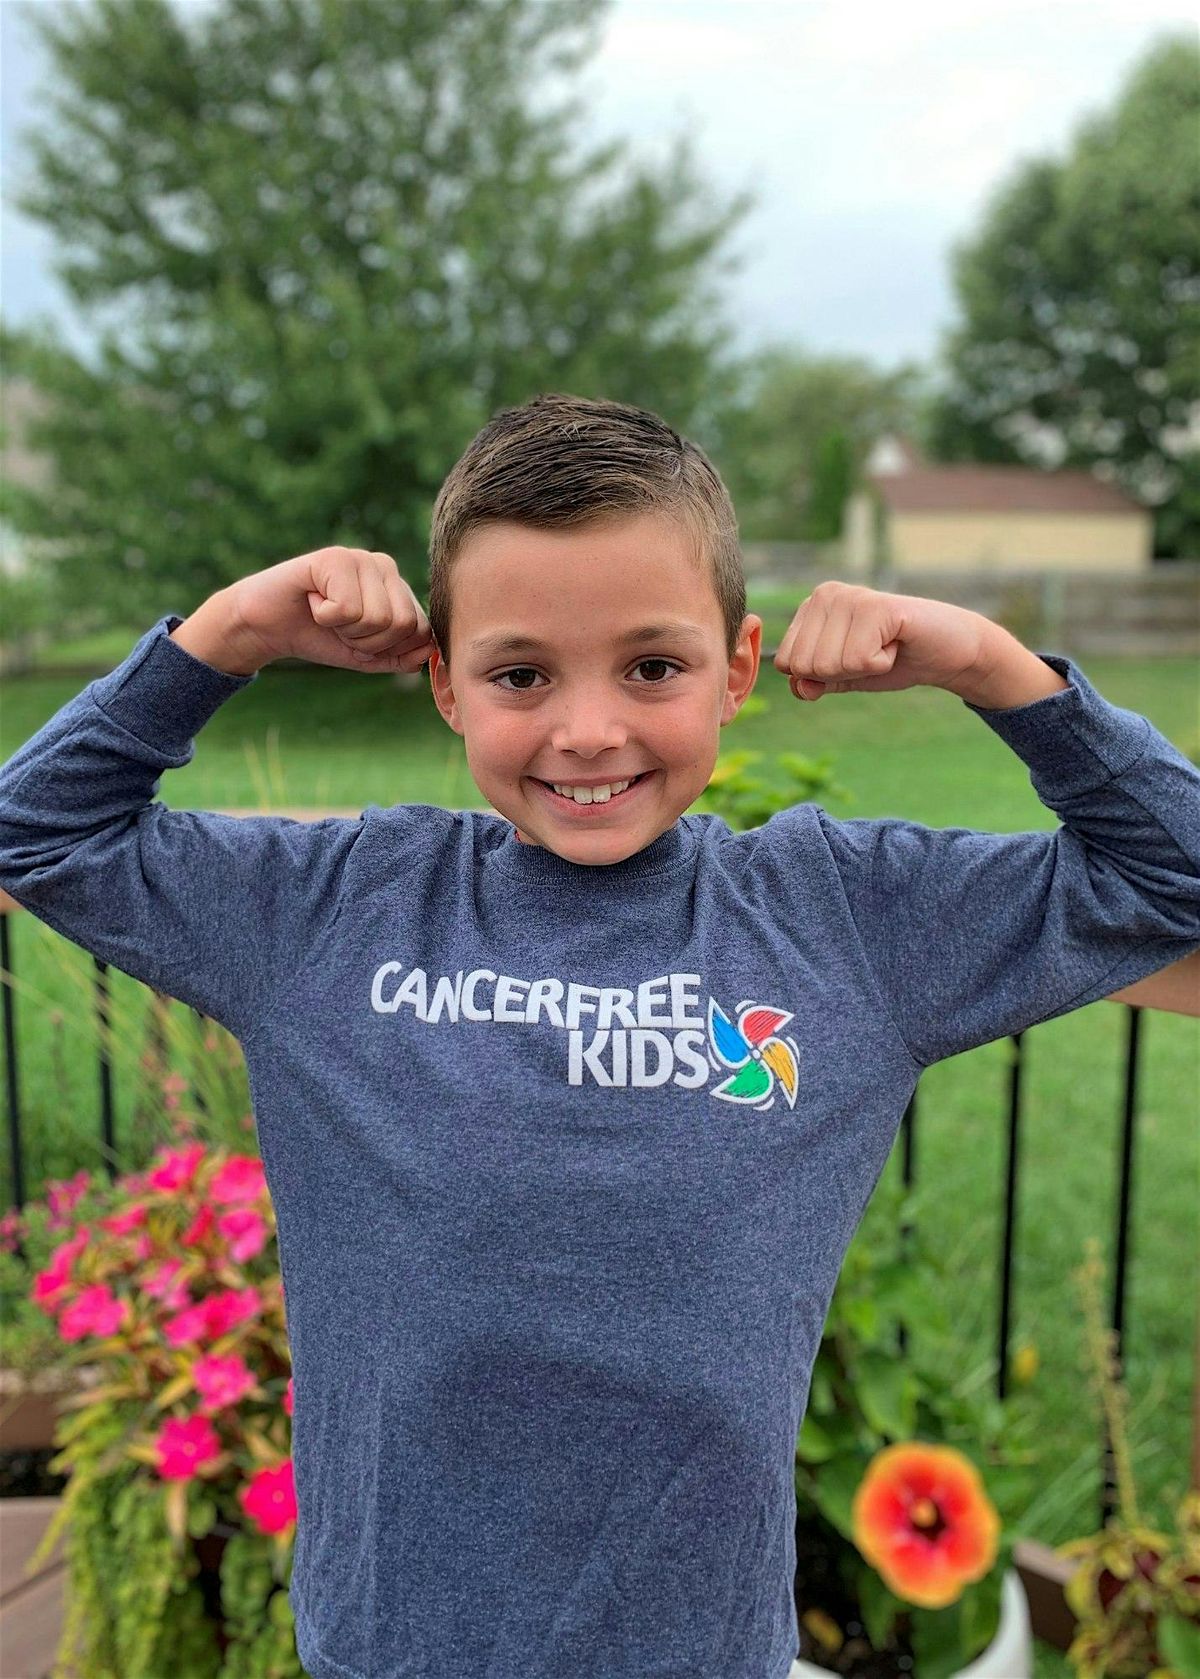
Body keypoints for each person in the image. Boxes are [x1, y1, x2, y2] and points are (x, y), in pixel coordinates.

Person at [1, 391, 1197, 1679]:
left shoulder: (845, 921)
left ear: (737, 669)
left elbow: (1170, 876)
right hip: (393, 1648)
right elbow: (37, 833)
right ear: (444, 685)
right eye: (520, 674)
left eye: (652, 667)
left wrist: (992, 668)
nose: (587, 730)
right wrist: (226, 636)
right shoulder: (336, 909)